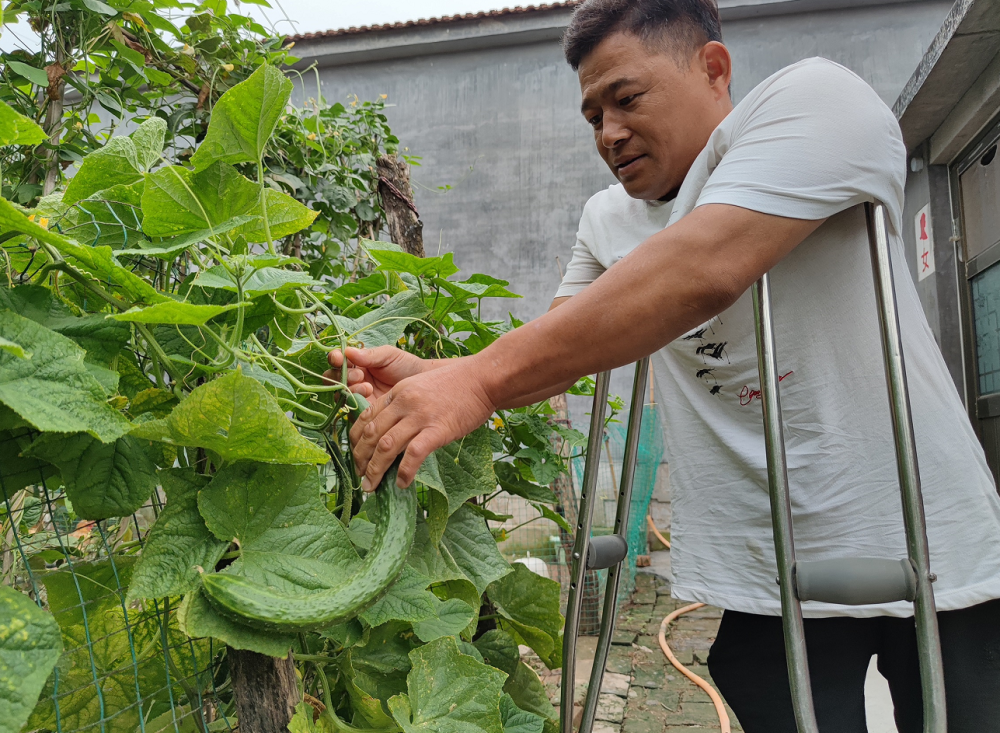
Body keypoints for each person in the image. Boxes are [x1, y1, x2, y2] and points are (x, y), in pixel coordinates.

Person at [325, 1, 1000, 730]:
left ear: (712, 68)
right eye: (592, 116)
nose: (609, 133)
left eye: (627, 98)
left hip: (927, 544)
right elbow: (557, 353)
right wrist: (439, 371)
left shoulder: (814, 100)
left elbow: (706, 266)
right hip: (771, 570)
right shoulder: (605, 219)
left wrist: (478, 380)